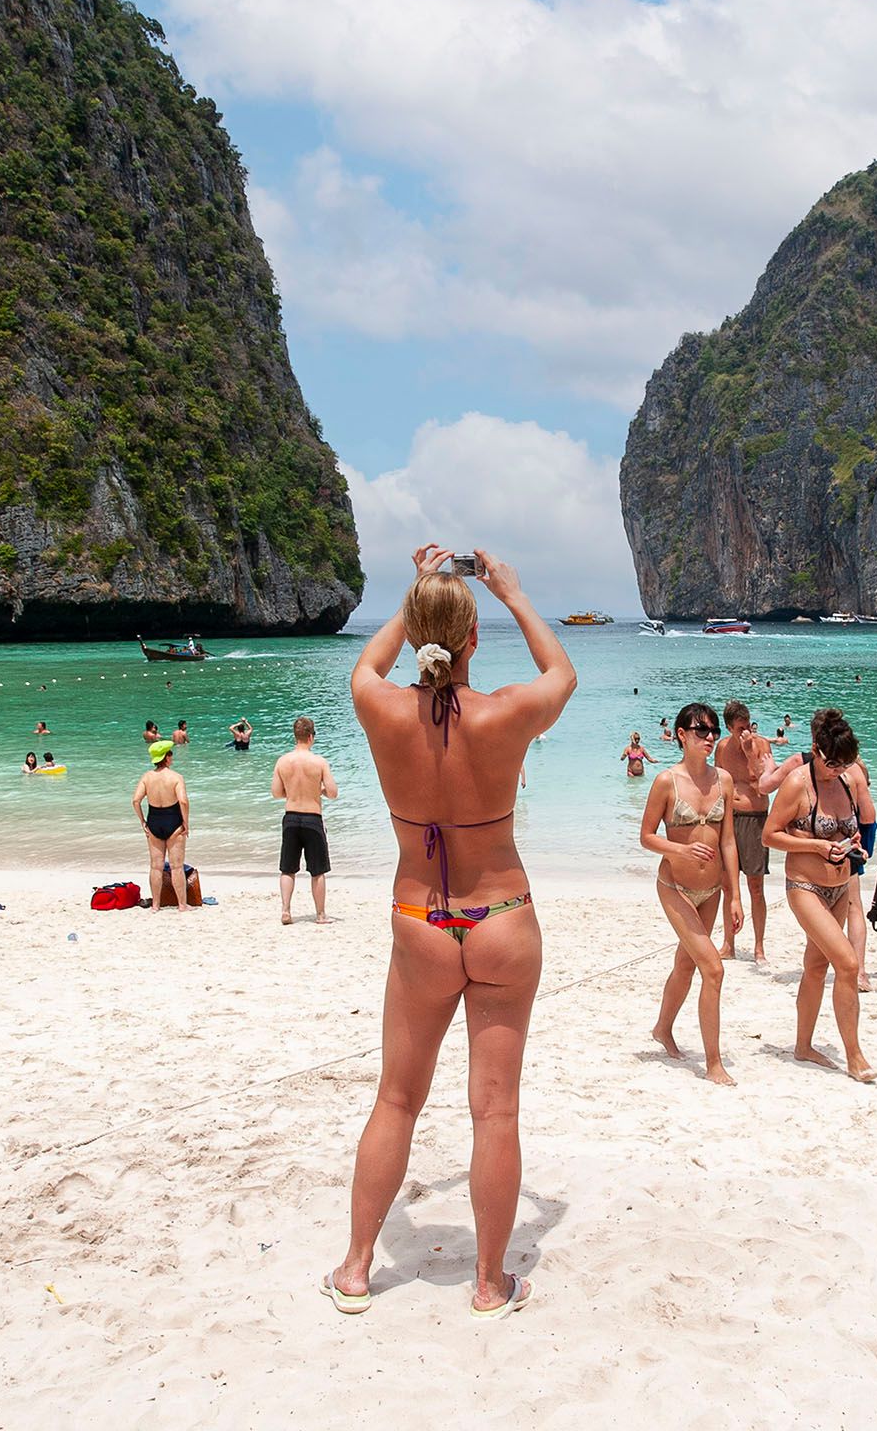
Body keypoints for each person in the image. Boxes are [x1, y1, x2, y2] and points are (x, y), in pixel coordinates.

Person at [325, 544, 573, 1320]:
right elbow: (563, 673)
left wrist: (415, 597)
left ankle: (359, 1268)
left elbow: (367, 666)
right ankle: (490, 1282)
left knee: (396, 1101)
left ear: (416, 631)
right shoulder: (503, 715)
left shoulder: (381, 709)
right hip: (500, 918)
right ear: (471, 641)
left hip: (421, 921)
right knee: (494, 1109)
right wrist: (513, 592)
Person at [763, 709, 877, 1082]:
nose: (836, 770)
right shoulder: (797, 782)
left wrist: (854, 843)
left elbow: (858, 825)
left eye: (844, 764)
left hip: (841, 885)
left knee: (816, 966)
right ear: (815, 749)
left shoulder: (848, 778)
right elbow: (770, 835)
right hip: (805, 887)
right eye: (830, 763)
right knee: (847, 964)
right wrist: (815, 846)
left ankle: (803, 1045)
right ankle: (855, 1055)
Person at [640, 701, 741, 1084]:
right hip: (675, 888)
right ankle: (713, 1063)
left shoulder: (724, 781)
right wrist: (680, 849)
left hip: (712, 890)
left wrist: (734, 895)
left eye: (714, 731)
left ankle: (662, 1029)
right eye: (702, 731)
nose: (710, 738)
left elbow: (728, 841)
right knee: (712, 968)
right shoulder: (666, 781)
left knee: (686, 964)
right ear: (682, 735)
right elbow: (646, 837)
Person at [717, 700, 775, 962]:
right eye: (739, 729)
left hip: (755, 818)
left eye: (748, 726)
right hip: (729, 818)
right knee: (728, 887)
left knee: (756, 886)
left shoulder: (761, 745)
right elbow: (717, 783)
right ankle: (728, 944)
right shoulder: (721, 748)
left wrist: (749, 752)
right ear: (729, 728)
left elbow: (762, 785)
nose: (745, 732)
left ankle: (759, 946)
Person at [272, 716, 340, 924]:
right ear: (311, 736)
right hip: (313, 818)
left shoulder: (283, 761)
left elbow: (276, 793)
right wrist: (317, 790)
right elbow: (333, 792)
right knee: (317, 870)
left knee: (287, 868)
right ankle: (320, 914)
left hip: (291, 818)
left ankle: (286, 910)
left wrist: (293, 791)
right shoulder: (319, 762)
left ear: (296, 736)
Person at [133, 741, 195, 908]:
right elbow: (183, 801)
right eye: (171, 754)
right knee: (176, 867)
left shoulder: (147, 777)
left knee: (155, 867)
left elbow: (136, 800)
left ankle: (156, 905)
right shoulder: (176, 777)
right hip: (173, 821)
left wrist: (143, 822)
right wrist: (186, 823)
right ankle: (182, 905)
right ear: (167, 757)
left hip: (154, 821)